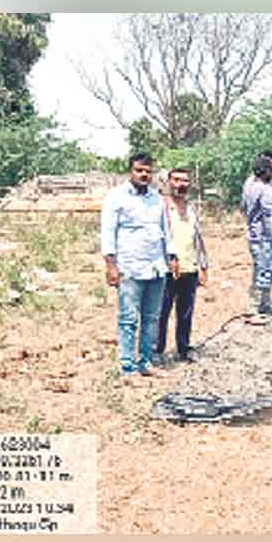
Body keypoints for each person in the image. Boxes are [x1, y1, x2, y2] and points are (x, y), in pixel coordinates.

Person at [100, 152, 168, 376]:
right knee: (129, 319)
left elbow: (165, 230)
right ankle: (127, 366)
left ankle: (146, 362)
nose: (144, 174)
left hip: (156, 266)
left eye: (148, 171)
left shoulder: (156, 198)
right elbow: (108, 232)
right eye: (139, 170)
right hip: (130, 267)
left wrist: (171, 257)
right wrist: (111, 265)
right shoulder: (116, 197)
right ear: (131, 171)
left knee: (152, 318)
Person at [157, 167, 209, 364]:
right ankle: (157, 351)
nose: (181, 184)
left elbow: (198, 239)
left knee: (186, 312)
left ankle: (184, 349)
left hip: (190, 267)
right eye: (177, 180)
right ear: (169, 182)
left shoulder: (192, 208)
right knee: (161, 312)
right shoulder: (161, 208)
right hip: (167, 269)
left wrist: (204, 266)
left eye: (185, 181)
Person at [241, 151, 272, 319]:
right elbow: (268, 217)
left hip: (253, 235)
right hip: (264, 237)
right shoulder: (265, 189)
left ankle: (259, 305)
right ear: (266, 171)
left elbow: (244, 207)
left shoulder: (249, 185)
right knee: (265, 270)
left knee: (259, 269)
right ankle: (258, 308)